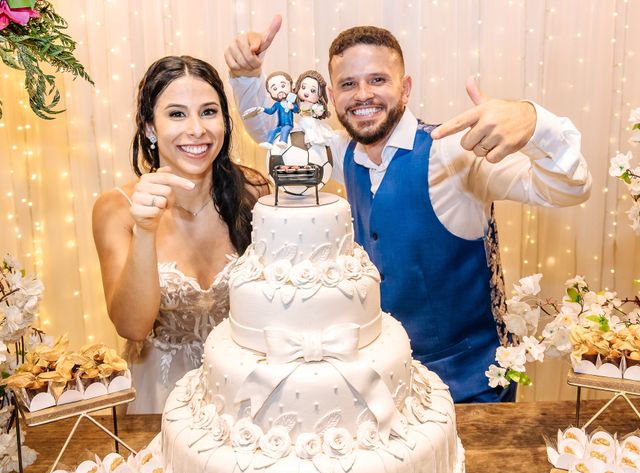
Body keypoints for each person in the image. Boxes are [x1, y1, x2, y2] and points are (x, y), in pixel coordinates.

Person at [224, 17, 592, 403]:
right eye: (349, 84)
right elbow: (274, 137)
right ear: (332, 98)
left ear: (406, 89)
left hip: (470, 391)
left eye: (378, 80)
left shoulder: (453, 153)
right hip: (381, 388)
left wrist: (534, 123)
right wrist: (246, 77)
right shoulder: (337, 152)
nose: (363, 94)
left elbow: (569, 188)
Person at [92, 55, 268, 413]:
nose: (197, 129)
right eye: (176, 114)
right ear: (149, 128)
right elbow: (133, 327)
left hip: (244, 391)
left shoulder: (255, 191)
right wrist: (145, 230)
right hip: (159, 398)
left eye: (208, 112)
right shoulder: (115, 208)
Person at [293, 69, 335, 146]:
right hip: (303, 121)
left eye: (312, 90)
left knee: (313, 127)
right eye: (303, 87)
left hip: (312, 120)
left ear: (320, 95)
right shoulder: (299, 103)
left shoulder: (314, 106)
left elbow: (318, 111)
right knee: (305, 124)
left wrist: (318, 111)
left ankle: (314, 139)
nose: (306, 92)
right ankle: (311, 138)